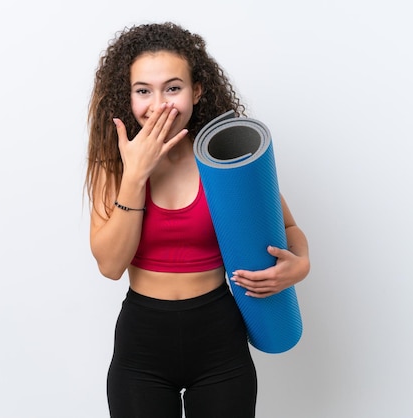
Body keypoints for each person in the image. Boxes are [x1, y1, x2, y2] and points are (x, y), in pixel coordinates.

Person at [85, 21, 310, 418]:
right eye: (143, 91)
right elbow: (110, 265)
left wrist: (300, 264)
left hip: (219, 337)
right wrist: (136, 175)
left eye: (173, 88)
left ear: (197, 90)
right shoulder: (114, 165)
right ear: (128, 96)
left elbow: (288, 229)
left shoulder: (221, 157)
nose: (158, 104)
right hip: (142, 343)